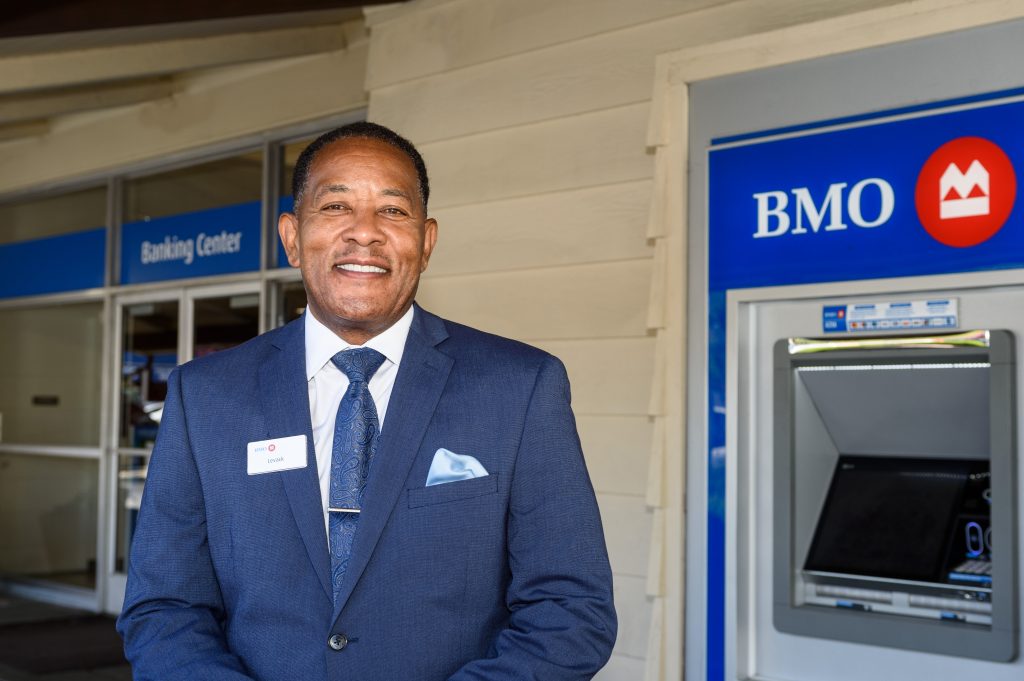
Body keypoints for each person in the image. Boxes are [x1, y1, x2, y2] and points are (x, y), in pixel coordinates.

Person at [116, 121, 616, 680]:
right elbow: (164, 606)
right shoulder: (205, 395)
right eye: (334, 207)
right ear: (291, 237)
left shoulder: (521, 386)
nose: (365, 233)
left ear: (426, 243)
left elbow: (572, 609)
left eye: (393, 211)